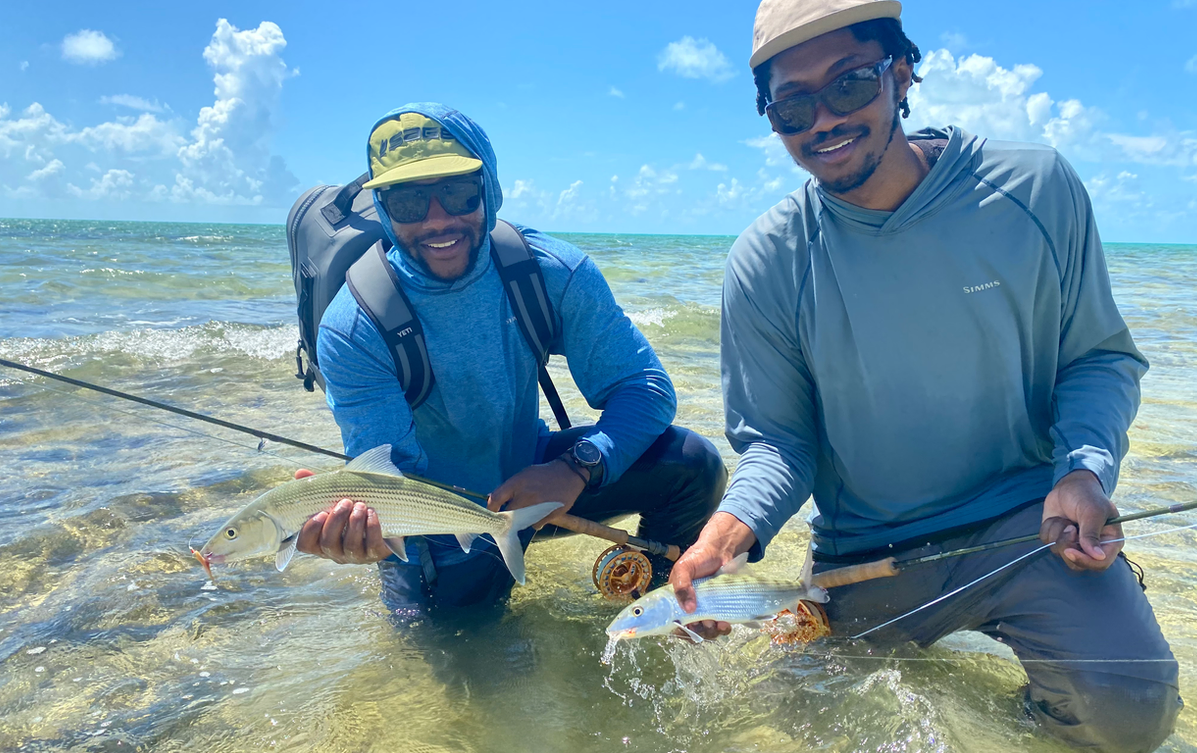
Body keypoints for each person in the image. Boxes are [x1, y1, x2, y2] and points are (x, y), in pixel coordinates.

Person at [669, 1, 1181, 750]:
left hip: (1029, 525)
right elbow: (780, 442)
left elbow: (1096, 357)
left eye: (848, 85)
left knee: (1129, 714)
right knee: (798, 725)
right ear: (771, 118)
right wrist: (727, 533)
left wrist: (1083, 471)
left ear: (901, 75)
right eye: (791, 105)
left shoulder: (1034, 188)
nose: (822, 119)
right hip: (864, 555)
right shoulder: (764, 261)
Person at [295, 103, 726, 613]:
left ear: (490, 187)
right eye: (409, 201)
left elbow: (646, 388)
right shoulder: (352, 327)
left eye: (457, 191)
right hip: (434, 519)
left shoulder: (550, 272)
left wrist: (575, 469)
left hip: (534, 477)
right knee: (467, 666)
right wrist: (358, 531)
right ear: (384, 209)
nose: (437, 219)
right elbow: (394, 478)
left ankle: (643, 605)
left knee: (693, 465)